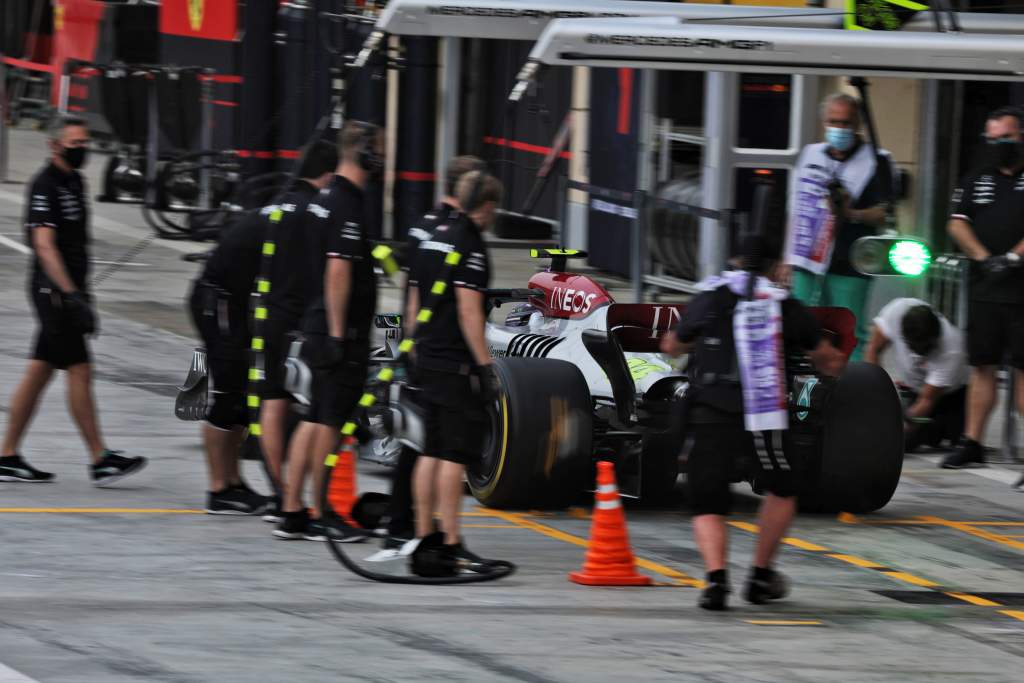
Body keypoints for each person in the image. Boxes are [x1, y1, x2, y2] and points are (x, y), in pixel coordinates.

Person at [660, 235, 842, 611]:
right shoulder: (783, 305)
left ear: (733, 261)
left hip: (709, 408)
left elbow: (671, 346)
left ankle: (715, 581)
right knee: (782, 487)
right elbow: (827, 359)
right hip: (764, 413)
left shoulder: (711, 298)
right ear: (776, 267)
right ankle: (760, 576)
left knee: (707, 498)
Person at [0, 116, 146, 485]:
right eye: (75, 143)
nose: (82, 149)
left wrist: (84, 293)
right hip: (54, 293)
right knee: (80, 368)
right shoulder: (44, 186)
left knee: (40, 370)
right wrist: (72, 295)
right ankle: (99, 458)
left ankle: (7, 455)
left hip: (69, 292)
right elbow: (45, 247)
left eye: (85, 143)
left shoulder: (76, 182)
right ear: (54, 145)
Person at [273, 121, 384, 541]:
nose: (384, 160)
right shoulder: (347, 204)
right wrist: (339, 334)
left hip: (317, 321)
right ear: (364, 153)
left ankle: (292, 509)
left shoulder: (322, 198)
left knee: (313, 416)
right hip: (338, 331)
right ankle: (321, 512)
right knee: (330, 422)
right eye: (380, 150)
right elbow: (338, 269)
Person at [373, 155, 486, 556]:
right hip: (445, 351)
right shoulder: (462, 238)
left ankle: (414, 529)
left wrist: (407, 342)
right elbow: (468, 308)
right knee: (436, 448)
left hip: (417, 345)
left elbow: (409, 287)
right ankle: (426, 533)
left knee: (419, 443)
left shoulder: (422, 227)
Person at [404, 169, 502, 573]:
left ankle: (425, 536)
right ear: (487, 207)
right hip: (454, 363)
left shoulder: (433, 237)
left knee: (429, 449)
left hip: (425, 356)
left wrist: (413, 348)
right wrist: (485, 366)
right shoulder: (471, 245)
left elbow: (412, 302)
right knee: (453, 455)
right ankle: (451, 541)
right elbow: (468, 310)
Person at [256, 140, 339, 521]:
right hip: (298, 318)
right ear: (327, 174)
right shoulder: (314, 210)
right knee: (310, 409)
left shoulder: (280, 203)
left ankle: (277, 493)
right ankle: (298, 498)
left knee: (272, 399)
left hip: (267, 311)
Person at [781, 93, 896, 361]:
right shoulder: (811, 154)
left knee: (847, 332)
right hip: (806, 260)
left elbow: (886, 213)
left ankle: (848, 391)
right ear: (824, 123)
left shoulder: (877, 160)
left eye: (845, 123)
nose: (839, 129)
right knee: (803, 327)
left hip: (850, 260)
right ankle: (804, 388)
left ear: (857, 124)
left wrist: (850, 213)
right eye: (833, 122)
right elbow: (795, 206)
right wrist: (786, 257)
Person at [942, 106, 1024, 470]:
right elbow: (957, 223)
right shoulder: (976, 177)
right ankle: (972, 441)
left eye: (1005, 137)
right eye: (992, 139)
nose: (998, 145)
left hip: (1022, 291)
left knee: (1023, 369)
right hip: (985, 289)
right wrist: (984, 257)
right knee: (982, 366)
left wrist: (1011, 258)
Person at [187, 211, 274, 514]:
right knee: (227, 394)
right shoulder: (290, 222)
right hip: (218, 302)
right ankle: (218, 488)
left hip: (232, 305)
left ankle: (234, 482)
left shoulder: (281, 214)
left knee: (240, 396)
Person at [864, 299, 968, 452]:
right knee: (908, 442)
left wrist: (895, 431)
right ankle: (930, 429)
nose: (920, 353)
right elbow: (873, 349)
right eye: (914, 347)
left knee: (954, 439)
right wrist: (879, 396)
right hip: (916, 389)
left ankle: (940, 426)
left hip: (951, 393)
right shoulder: (895, 312)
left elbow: (927, 400)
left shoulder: (952, 348)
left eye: (926, 348)